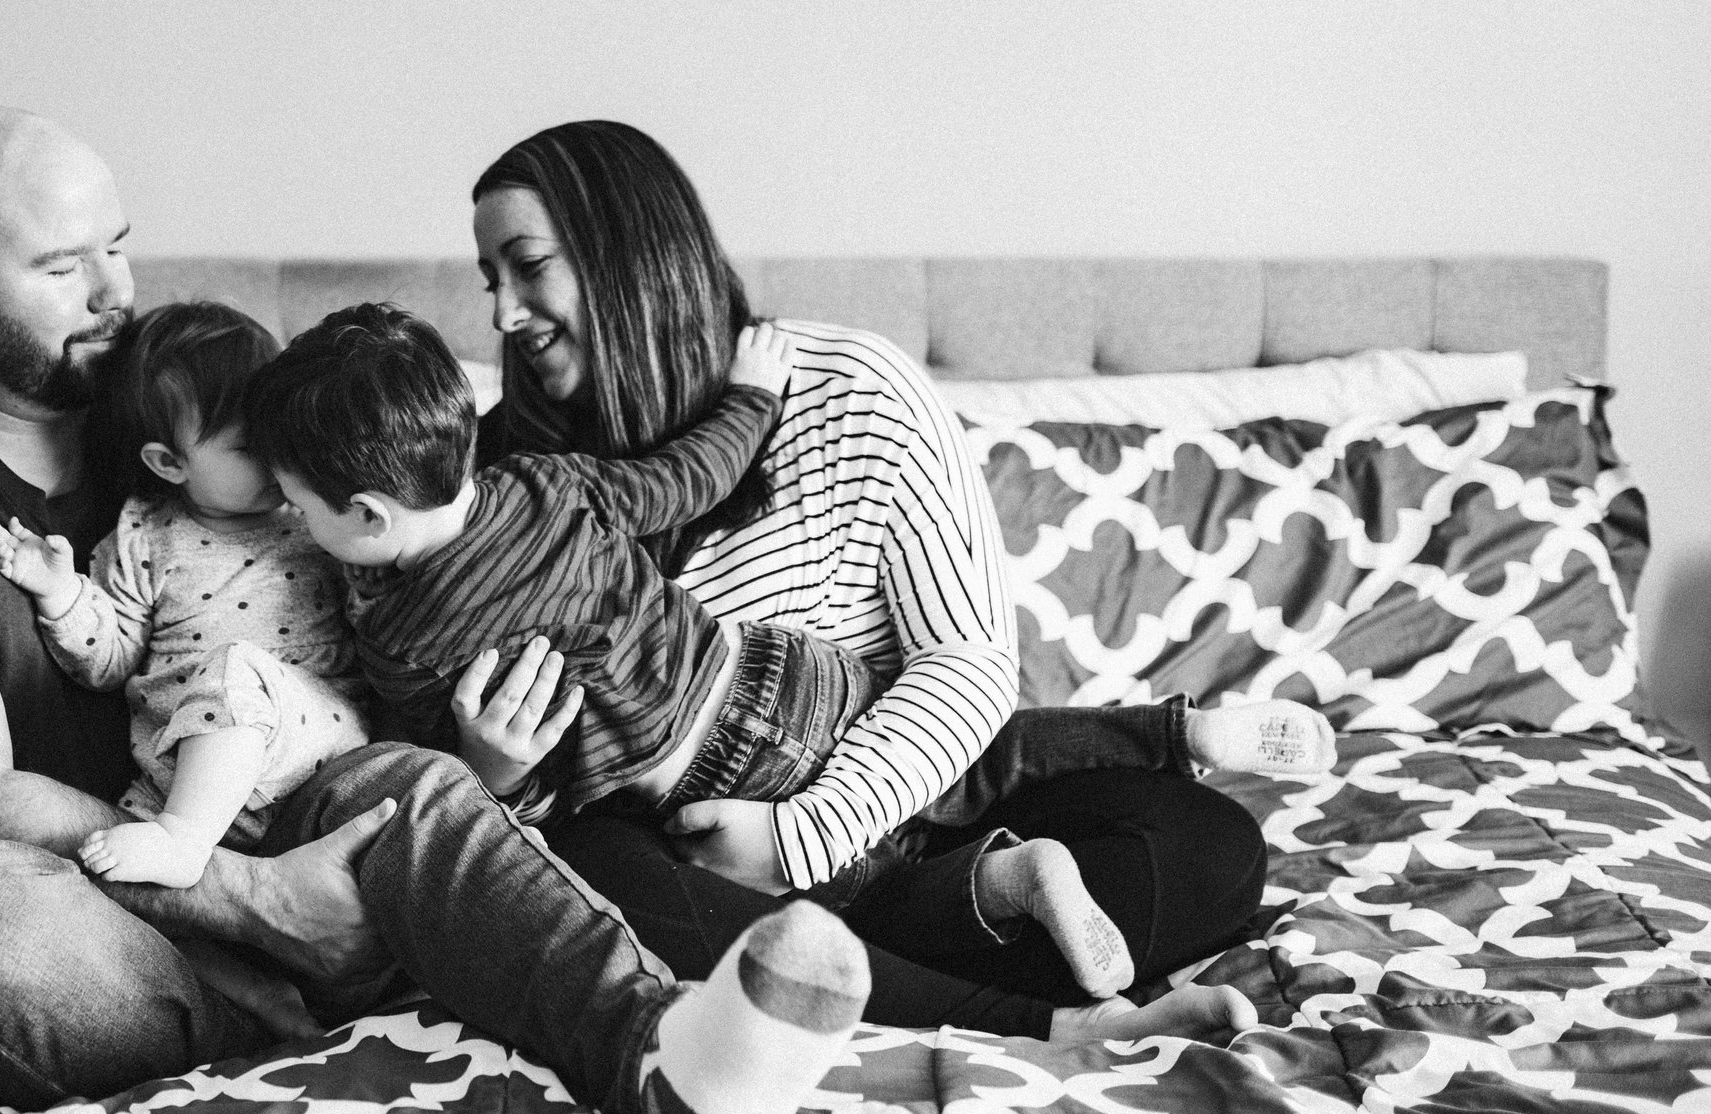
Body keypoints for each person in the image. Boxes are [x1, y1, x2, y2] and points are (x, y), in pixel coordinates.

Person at [0, 104, 914, 1114]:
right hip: (98, 925)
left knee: (409, 785)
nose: (115, 292)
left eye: (117, 246)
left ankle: (662, 1056)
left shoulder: (211, 411)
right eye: (63, 268)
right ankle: (300, 1001)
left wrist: (469, 773)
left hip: (307, 832)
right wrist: (264, 899)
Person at [456, 118, 1281, 1041]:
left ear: (628, 254)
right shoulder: (492, 481)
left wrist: (802, 837)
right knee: (592, 877)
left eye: (529, 266)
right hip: (685, 856)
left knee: (1209, 849)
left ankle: (847, 968)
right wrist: (495, 773)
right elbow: (516, 777)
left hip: (906, 805)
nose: (504, 315)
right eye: (491, 280)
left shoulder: (848, 389)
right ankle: (1035, 1009)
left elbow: (967, 661)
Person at [245, 299, 1330, 999]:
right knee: (992, 756)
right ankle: (1180, 731)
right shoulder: (546, 479)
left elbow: (432, 772)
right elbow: (689, 476)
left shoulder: (396, 632)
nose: (505, 310)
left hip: (711, 784)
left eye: (526, 268)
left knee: (860, 885)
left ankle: (995, 894)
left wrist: (488, 770)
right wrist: (751, 399)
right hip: (779, 673)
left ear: (370, 514)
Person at [0, 300, 370, 889]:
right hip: (178, 782)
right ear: (169, 463)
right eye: (250, 446)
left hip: (310, 750)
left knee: (238, 670)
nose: (279, 456)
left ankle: (184, 844)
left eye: (282, 433)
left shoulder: (314, 516)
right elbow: (110, 661)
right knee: (97, 876)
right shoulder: (143, 535)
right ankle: (209, 919)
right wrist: (62, 593)